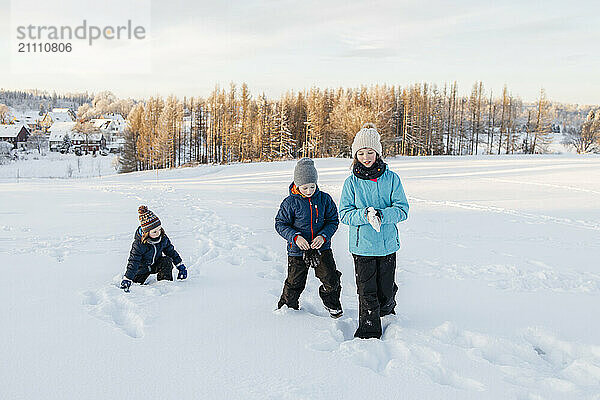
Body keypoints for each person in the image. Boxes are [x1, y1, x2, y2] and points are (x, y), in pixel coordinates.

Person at [339, 123, 409, 338]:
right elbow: (344, 214)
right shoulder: (351, 183)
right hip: (363, 247)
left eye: (370, 152)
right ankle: (369, 332)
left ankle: (387, 308)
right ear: (355, 155)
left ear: (377, 152)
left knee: (385, 291)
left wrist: (382, 215)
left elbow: (402, 209)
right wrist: (365, 215)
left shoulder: (392, 178)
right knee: (367, 292)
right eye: (361, 153)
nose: (366, 157)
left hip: (387, 245)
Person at [275, 158, 343, 318]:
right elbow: (280, 224)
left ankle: (331, 303)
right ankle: (287, 308)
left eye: (312, 186)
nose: (308, 190)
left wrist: (324, 236)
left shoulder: (325, 199)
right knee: (295, 282)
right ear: (297, 185)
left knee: (330, 278)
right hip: (297, 250)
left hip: (321, 248)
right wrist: (295, 237)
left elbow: (333, 221)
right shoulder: (290, 202)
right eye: (304, 187)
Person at [120, 205, 187, 292]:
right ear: (146, 232)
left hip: (156, 264)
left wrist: (180, 266)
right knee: (136, 283)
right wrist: (128, 278)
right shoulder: (139, 244)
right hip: (141, 269)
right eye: (154, 231)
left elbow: (171, 252)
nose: (158, 233)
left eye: (159, 229)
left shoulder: (162, 238)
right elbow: (134, 261)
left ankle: (165, 285)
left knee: (167, 260)